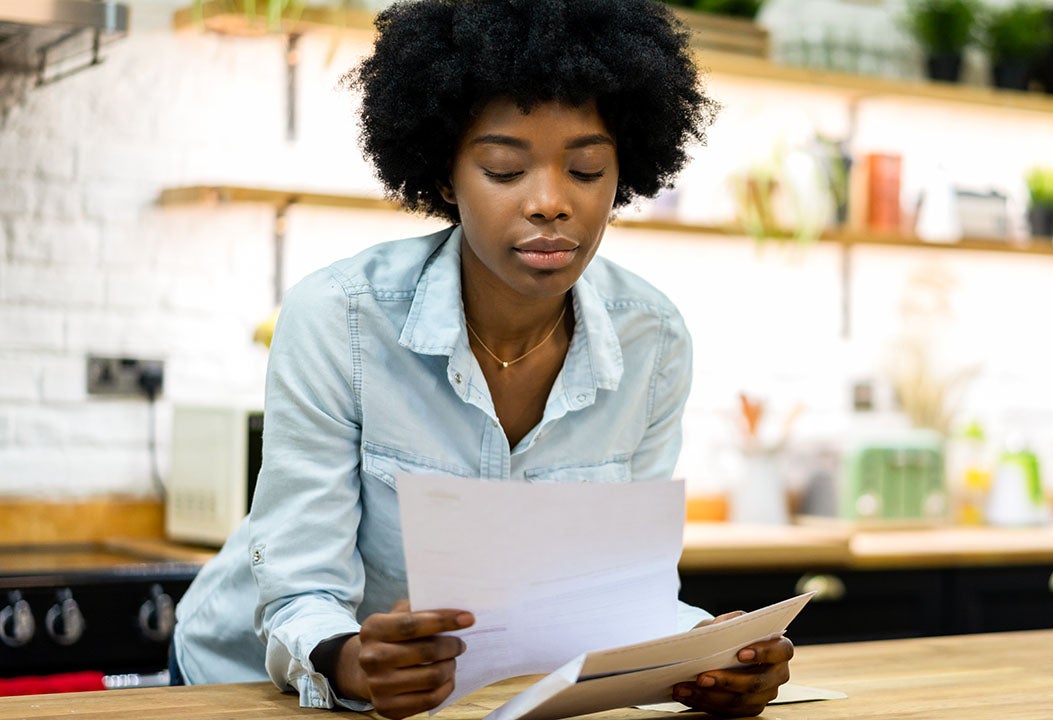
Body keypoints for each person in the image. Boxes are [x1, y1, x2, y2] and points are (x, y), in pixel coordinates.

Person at [170, 1, 794, 718]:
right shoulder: (340, 319)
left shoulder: (651, 341)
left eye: (586, 169)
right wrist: (354, 663)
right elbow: (299, 589)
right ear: (444, 177)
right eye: (504, 169)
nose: (551, 202)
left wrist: (709, 654)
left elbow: (615, 595)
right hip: (243, 686)